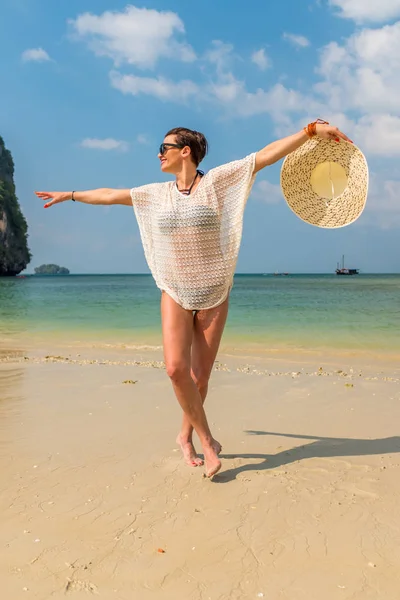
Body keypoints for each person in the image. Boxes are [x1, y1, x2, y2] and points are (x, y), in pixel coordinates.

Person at [35, 121, 351, 477]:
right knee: (175, 369)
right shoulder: (156, 194)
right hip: (175, 288)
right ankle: (207, 442)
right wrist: (71, 194)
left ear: (185, 151)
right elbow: (110, 194)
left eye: (164, 147)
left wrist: (308, 131)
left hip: (214, 291)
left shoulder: (217, 182)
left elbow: (262, 157)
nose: (158, 154)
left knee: (200, 378)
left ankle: (184, 437)